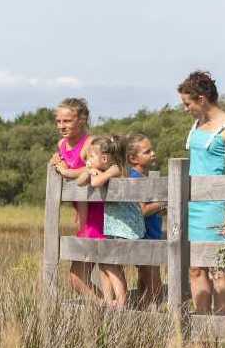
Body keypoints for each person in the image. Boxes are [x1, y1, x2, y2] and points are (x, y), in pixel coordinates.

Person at [178, 70, 225, 314]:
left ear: (201, 99)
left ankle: (223, 325)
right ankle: (201, 329)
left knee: (219, 267)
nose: (186, 109)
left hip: (215, 206)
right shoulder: (197, 125)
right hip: (192, 206)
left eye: (187, 103)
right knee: (195, 268)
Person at [49, 98, 107, 301]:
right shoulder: (61, 144)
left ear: (81, 119)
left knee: (85, 275)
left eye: (67, 121)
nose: (61, 126)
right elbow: (62, 166)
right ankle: (107, 307)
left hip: (98, 214)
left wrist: (65, 171)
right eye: (58, 121)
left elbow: (95, 168)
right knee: (80, 276)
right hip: (82, 214)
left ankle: (109, 308)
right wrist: (57, 162)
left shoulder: (90, 143)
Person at [83, 134, 144, 307]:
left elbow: (95, 183)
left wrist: (93, 173)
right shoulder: (108, 169)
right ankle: (110, 302)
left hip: (127, 226)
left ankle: (122, 300)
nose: (88, 159)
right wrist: (89, 170)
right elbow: (82, 182)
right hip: (115, 226)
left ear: (105, 157)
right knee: (104, 262)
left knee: (111, 264)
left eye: (91, 156)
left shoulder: (116, 169)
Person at [125, 133, 164, 308]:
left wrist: (158, 207)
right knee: (154, 285)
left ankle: (144, 315)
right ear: (133, 158)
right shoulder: (135, 179)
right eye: (147, 152)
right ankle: (151, 318)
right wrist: (163, 202)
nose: (153, 153)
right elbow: (141, 210)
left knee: (146, 280)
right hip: (146, 239)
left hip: (151, 236)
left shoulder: (144, 178)